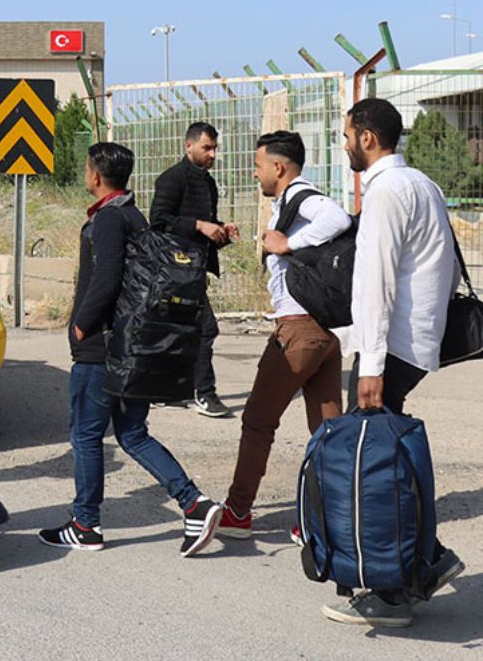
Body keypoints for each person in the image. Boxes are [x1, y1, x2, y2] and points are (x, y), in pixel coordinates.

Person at [320, 98, 465, 628]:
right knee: (392, 462)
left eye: (346, 134)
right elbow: (448, 267)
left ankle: (398, 588)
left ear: (366, 137)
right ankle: (422, 564)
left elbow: (375, 281)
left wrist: (371, 363)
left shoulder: (384, 191)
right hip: (418, 339)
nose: (343, 143)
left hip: (392, 346)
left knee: (381, 470)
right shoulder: (424, 184)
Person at [39, 142, 223, 556]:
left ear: (95, 175)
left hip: (102, 347)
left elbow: (106, 278)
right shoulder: (132, 214)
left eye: (87, 169)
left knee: (86, 435)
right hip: (130, 344)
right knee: (133, 433)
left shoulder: (108, 219)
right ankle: (194, 503)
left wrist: (81, 326)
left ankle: (86, 524)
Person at [217, 131, 348, 539]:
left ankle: (237, 513)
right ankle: (328, 521)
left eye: (258, 166)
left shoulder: (302, 197)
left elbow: (339, 218)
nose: (256, 174)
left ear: (278, 167)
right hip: (323, 335)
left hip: (298, 331)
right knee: (329, 433)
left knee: (258, 421)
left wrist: (289, 244)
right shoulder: (287, 203)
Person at [151, 122, 238, 418]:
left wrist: (221, 230)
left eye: (215, 148)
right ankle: (205, 392)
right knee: (204, 328)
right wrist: (199, 225)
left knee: (181, 327)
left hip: (195, 269)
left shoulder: (208, 183)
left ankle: (167, 388)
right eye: (207, 148)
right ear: (189, 146)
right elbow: (159, 221)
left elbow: (204, 224)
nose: (213, 154)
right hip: (174, 270)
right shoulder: (172, 179)